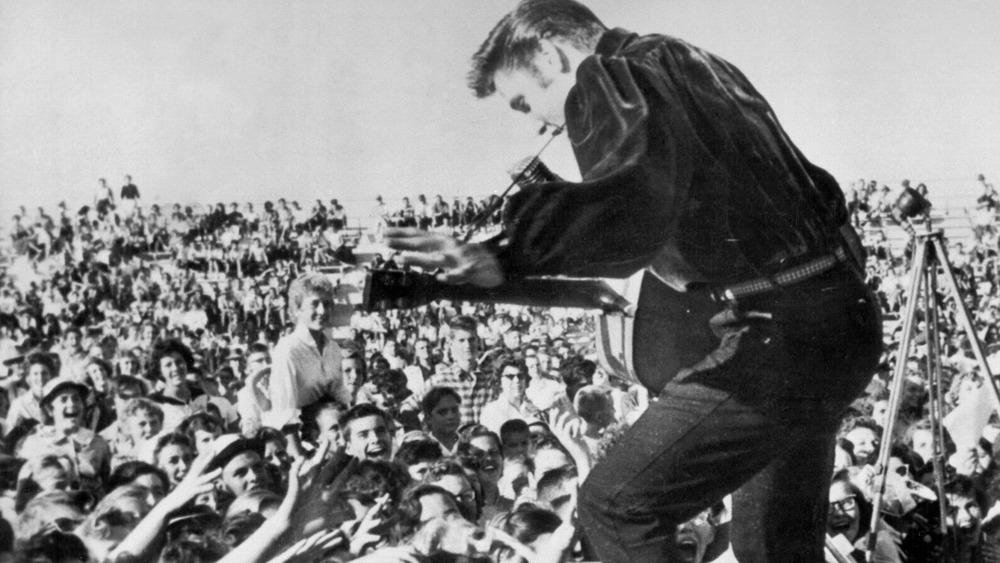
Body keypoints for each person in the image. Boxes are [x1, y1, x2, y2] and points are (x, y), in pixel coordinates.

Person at [385, 1, 883, 561]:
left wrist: (508, 254)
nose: (538, 123)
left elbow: (634, 211)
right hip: (837, 321)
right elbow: (809, 198)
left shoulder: (611, 71)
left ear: (550, 52)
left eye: (525, 100)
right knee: (772, 547)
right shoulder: (694, 62)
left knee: (616, 507)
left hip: (782, 337)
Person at [263, 273, 352, 455]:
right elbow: (284, 413)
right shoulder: (287, 349)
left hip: (335, 436)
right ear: (297, 309)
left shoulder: (333, 347)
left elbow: (341, 397)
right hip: (301, 443)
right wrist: (300, 459)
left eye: (327, 304)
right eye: (315, 304)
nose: (322, 311)